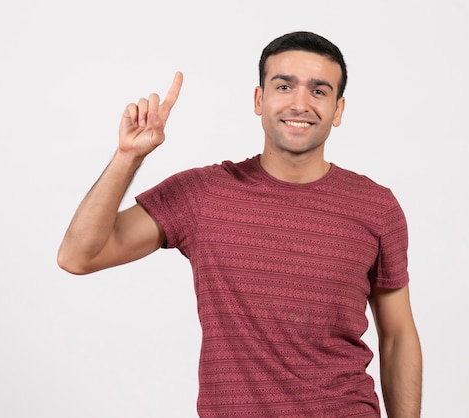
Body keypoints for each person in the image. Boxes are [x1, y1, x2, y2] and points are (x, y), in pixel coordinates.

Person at [58, 31, 422, 417]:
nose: (300, 103)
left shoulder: (375, 206)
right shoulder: (203, 194)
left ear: (338, 109)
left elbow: (398, 336)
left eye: (319, 91)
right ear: (259, 99)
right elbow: (79, 255)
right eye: (284, 86)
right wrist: (127, 156)